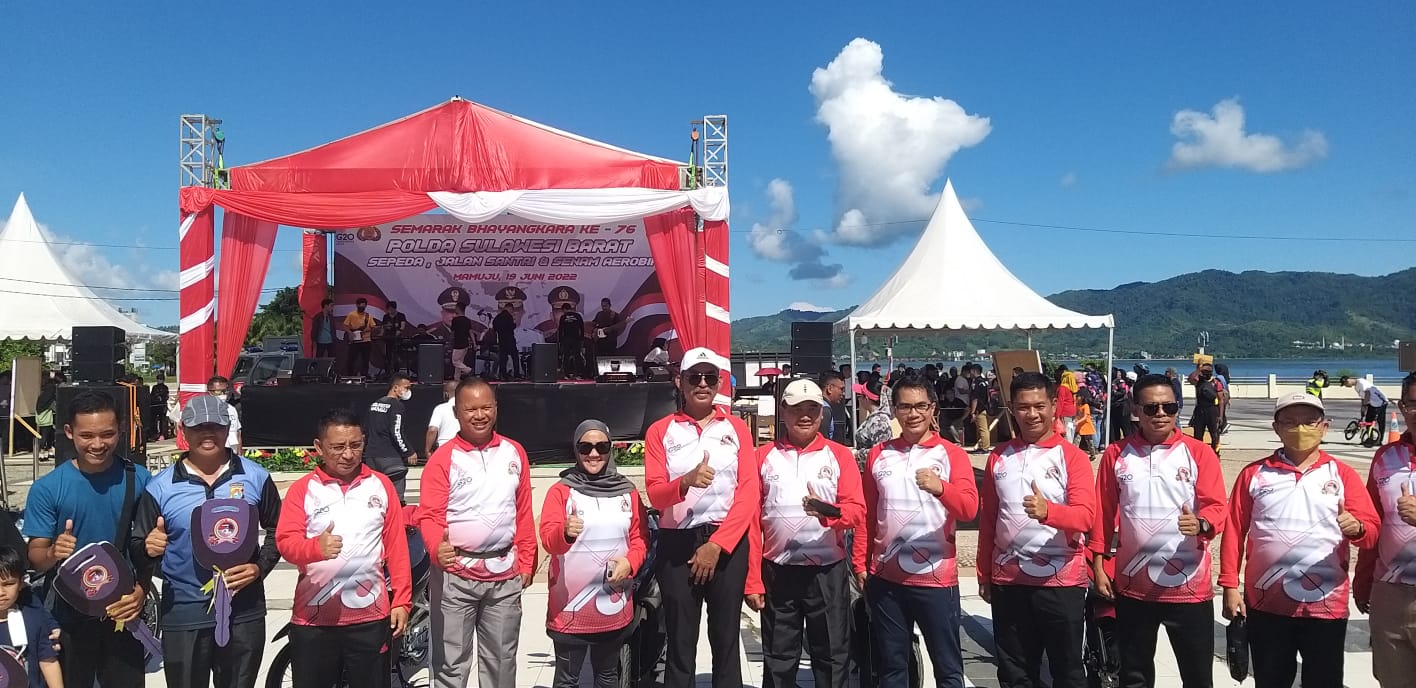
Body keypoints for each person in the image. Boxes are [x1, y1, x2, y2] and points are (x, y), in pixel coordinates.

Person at [1219, 392, 1379, 688]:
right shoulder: (1254, 474)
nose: (1300, 428)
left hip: (1325, 604)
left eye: (1309, 421)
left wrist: (1357, 528)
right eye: (1290, 422)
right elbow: (1234, 530)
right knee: (1271, 680)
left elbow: (1371, 532)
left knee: (1324, 681)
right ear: (1276, 428)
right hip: (1266, 602)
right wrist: (1230, 584)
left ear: (1325, 427)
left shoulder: (1341, 474)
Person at [131, 394, 283, 688]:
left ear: (228, 429)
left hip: (244, 610)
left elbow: (279, 530)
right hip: (184, 611)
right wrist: (148, 549)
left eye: (215, 426)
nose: (207, 433)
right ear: (184, 431)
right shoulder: (160, 486)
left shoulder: (256, 477)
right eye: (198, 427)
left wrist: (259, 568)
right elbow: (139, 545)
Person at [1091, 374, 1227, 688]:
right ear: (1135, 409)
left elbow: (1217, 505)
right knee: (1134, 676)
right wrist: (1099, 564)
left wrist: (1202, 523)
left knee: (1197, 677)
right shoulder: (1116, 454)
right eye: (1151, 408)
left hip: (1189, 588)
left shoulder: (1198, 453)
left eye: (1169, 406)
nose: (1161, 414)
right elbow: (1103, 515)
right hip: (1132, 586)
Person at [643, 348, 758, 688]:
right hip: (678, 545)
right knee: (680, 641)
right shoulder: (660, 431)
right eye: (695, 377)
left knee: (725, 641)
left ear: (720, 382)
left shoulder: (736, 428)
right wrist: (685, 482)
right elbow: (655, 493)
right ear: (680, 381)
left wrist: (718, 545)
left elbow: (748, 493)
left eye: (710, 377)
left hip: (727, 543)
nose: (703, 384)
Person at [275, 408, 412, 688]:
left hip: (369, 619)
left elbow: (396, 548)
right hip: (315, 621)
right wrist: (315, 549)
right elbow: (285, 543)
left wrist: (401, 601)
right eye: (338, 447)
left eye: (355, 445)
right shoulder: (303, 490)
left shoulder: (381, 485)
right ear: (319, 447)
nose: (348, 454)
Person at [857, 376, 978, 687]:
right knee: (892, 667)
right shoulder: (878, 454)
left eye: (921, 406)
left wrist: (941, 489)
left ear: (932, 409)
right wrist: (861, 563)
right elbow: (868, 514)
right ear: (895, 410)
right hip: (887, 579)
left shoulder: (952, 454)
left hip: (936, 579)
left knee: (948, 668)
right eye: (905, 407)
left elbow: (969, 509)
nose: (913, 414)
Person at [24, 391, 150, 688]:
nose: (97, 444)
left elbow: (146, 550)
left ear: (121, 429)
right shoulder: (48, 488)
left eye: (107, 434)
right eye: (87, 435)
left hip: (122, 610)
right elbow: (35, 555)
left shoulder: (141, 479)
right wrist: (54, 551)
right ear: (69, 432)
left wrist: (142, 590)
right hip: (68, 612)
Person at [978, 372, 1096, 688]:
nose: (1032, 414)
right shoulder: (999, 457)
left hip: (1061, 583)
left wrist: (1050, 512)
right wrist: (984, 574)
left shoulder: (1073, 457)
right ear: (1011, 408)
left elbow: (1086, 517)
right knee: (1015, 673)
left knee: (1068, 672)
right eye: (1023, 407)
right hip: (1009, 581)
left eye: (1039, 406)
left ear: (1054, 405)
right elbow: (989, 519)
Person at [417, 377, 537, 688]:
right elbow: (429, 516)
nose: (479, 415)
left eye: (486, 407)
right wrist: (435, 548)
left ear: (496, 408)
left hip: (504, 576)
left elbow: (523, 512)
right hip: (455, 576)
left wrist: (527, 559)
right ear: (456, 412)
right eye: (470, 409)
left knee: (501, 663)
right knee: (450, 667)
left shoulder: (515, 453)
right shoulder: (442, 460)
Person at [744, 380, 863, 688]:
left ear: (822, 414)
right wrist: (752, 579)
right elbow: (752, 523)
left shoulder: (839, 455)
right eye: (797, 409)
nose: (805, 416)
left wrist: (829, 513)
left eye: (813, 409)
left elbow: (856, 511)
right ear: (783, 411)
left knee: (832, 655)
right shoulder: (762, 456)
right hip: (777, 571)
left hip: (826, 572)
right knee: (779, 657)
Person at [538, 420, 648, 688]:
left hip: (612, 606)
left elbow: (640, 539)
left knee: (608, 677)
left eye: (601, 446)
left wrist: (630, 563)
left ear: (610, 449)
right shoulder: (561, 492)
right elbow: (549, 541)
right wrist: (564, 532)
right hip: (570, 608)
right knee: (567, 680)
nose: (594, 453)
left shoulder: (628, 492)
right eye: (585, 447)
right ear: (576, 450)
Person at [1355, 374, 1416, 686]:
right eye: (1413, 404)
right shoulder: (1385, 457)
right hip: (1390, 593)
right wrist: (1363, 580)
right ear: (1402, 407)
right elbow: (1373, 525)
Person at [0, 546, 62, 687]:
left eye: (8, 584)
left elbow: (48, 662)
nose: (1, 592)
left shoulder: (34, 619)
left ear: (21, 583)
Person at [364, 374, 418, 503]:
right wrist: (408, 451)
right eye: (406, 388)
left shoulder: (374, 404)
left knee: (374, 496)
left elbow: (366, 430)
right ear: (395, 388)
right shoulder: (396, 406)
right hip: (389, 457)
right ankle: (399, 520)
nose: (408, 391)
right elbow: (396, 432)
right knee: (396, 498)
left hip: (371, 456)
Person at [853, 380, 896, 466]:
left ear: (867, 398)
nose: (859, 399)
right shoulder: (874, 418)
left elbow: (880, 451)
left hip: (873, 471)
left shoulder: (879, 422)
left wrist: (855, 454)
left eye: (860, 396)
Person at [1343, 374, 1390, 445]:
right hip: (1371, 403)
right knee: (1368, 421)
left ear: (1348, 380)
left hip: (1380, 402)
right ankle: (1370, 438)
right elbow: (1363, 397)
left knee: (1380, 421)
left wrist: (1365, 404)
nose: (1346, 386)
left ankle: (1379, 441)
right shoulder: (1356, 387)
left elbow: (1368, 393)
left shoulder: (1361, 382)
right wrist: (1363, 409)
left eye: (1345, 384)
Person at [1188, 362, 1223, 454]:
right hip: (1200, 410)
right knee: (1198, 434)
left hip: (1212, 410)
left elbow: (1221, 400)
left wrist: (1221, 415)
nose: (1206, 373)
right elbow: (1190, 379)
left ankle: (1215, 452)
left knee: (1214, 433)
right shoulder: (1199, 381)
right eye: (1204, 371)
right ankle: (1198, 452)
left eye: (1208, 371)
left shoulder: (1216, 382)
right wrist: (1198, 369)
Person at [425, 379, 461, 458]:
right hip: (463, 448)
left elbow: (432, 430)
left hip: (444, 447)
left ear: (446, 394)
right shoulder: (468, 408)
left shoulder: (441, 408)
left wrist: (427, 450)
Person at [206, 376, 242, 454]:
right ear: (209, 392)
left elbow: (238, 433)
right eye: (218, 391)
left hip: (233, 452)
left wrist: (240, 456)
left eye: (225, 391)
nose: (223, 394)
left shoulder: (232, 409)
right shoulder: (205, 411)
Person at [344, 298, 377, 376]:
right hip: (354, 341)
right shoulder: (351, 314)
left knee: (365, 359)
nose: (362, 308)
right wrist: (350, 333)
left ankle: (364, 375)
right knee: (351, 359)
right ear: (357, 305)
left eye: (364, 306)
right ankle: (350, 375)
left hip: (366, 340)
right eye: (360, 306)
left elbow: (373, 327)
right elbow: (345, 325)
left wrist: (369, 330)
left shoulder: (368, 316)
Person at [555, 303, 587, 379]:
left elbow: (560, 330)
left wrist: (560, 341)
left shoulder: (563, 317)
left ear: (564, 309)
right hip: (576, 339)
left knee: (566, 356)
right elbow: (582, 328)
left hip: (566, 339)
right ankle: (579, 374)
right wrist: (582, 339)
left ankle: (567, 374)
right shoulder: (578, 316)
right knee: (577, 356)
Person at [379, 300, 408, 377]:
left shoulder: (401, 316)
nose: (390, 311)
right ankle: (387, 372)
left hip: (397, 338)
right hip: (388, 338)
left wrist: (398, 332)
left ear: (395, 308)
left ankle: (396, 372)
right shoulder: (386, 316)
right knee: (387, 355)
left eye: (391, 309)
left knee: (396, 355)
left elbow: (402, 326)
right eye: (388, 309)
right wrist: (381, 334)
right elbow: (383, 327)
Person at [492, 302, 520, 381]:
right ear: (510, 308)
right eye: (512, 310)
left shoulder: (497, 318)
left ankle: (503, 375)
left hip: (501, 340)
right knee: (515, 356)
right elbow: (511, 327)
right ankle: (516, 374)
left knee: (503, 359)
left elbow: (494, 328)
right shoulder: (508, 317)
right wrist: (514, 323)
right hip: (509, 340)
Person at [970, 364, 994, 452]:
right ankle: (983, 445)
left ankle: (985, 447)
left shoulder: (976, 382)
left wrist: (972, 411)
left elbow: (975, 398)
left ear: (974, 371)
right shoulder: (985, 381)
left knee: (982, 429)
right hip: (987, 407)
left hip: (980, 408)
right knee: (985, 428)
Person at [818, 371, 847, 442]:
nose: (843, 393)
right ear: (830, 388)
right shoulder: (824, 410)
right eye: (841, 389)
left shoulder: (820, 405)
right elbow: (823, 440)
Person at [448, 304, 474, 380]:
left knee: (455, 361)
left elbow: (453, 333)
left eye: (456, 308)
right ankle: (457, 378)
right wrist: (474, 343)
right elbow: (471, 332)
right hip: (466, 343)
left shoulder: (455, 320)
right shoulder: (467, 320)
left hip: (458, 343)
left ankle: (468, 370)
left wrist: (450, 342)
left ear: (459, 309)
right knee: (460, 362)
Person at [36, 372, 57, 460]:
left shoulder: (41, 396)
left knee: (46, 435)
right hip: (47, 419)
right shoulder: (50, 398)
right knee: (47, 436)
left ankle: (45, 452)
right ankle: (42, 452)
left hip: (40, 417)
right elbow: (55, 408)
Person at [1056, 370, 1079, 443]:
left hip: (1065, 413)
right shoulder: (1073, 388)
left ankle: (1068, 446)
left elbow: (1060, 402)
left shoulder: (1062, 388)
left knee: (1067, 431)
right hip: (1072, 412)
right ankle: (1071, 444)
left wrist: (1057, 415)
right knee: (1071, 429)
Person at [149, 373, 171, 441]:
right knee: (155, 420)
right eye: (159, 379)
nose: (159, 380)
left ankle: (161, 434)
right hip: (157, 406)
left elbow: (166, 396)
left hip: (161, 406)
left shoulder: (164, 387)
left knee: (162, 420)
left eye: (160, 379)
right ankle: (157, 434)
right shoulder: (155, 387)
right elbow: (152, 396)